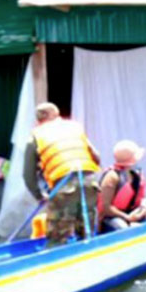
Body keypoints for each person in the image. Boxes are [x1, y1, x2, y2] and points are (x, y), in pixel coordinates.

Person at [23, 102, 101, 243]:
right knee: (86, 233)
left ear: (38, 120)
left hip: (64, 187)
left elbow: (28, 175)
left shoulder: (35, 137)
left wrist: (39, 195)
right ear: (57, 114)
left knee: (57, 237)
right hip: (90, 183)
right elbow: (97, 157)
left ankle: (53, 259)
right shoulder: (75, 129)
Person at [98, 140, 146, 232]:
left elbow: (142, 197)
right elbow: (105, 207)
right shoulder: (112, 176)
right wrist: (127, 217)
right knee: (122, 227)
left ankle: (143, 226)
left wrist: (143, 208)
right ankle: (132, 229)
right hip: (114, 217)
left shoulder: (136, 174)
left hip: (132, 213)